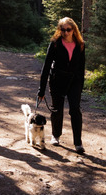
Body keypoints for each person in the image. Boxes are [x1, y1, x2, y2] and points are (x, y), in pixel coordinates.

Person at [37, 17, 86, 154]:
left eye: (68, 30)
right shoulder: (55, 44)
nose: (65, 32)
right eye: (62, 30)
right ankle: (56, 135)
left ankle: (78, 143)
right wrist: (41, 89)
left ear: (73, 29)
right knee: (57, 109)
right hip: (57, 79)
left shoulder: (80, 44)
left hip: (74, 81)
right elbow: (46, 66)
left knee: (75, 109)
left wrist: (80, 87)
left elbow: (81, 68)